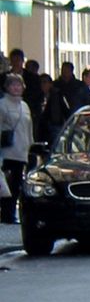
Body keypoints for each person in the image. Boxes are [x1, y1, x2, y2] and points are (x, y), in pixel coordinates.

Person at [0, 73, 33, 224]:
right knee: (6, 184)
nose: (16, 88)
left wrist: (31, 147)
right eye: (13, 85)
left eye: (19, 85)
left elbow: (29, 128)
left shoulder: (25, 106)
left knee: (16, 185)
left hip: (22, 150)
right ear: (7, 87)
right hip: (7, 151)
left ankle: (11, 213)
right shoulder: (2, 104)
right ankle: (6, 214)